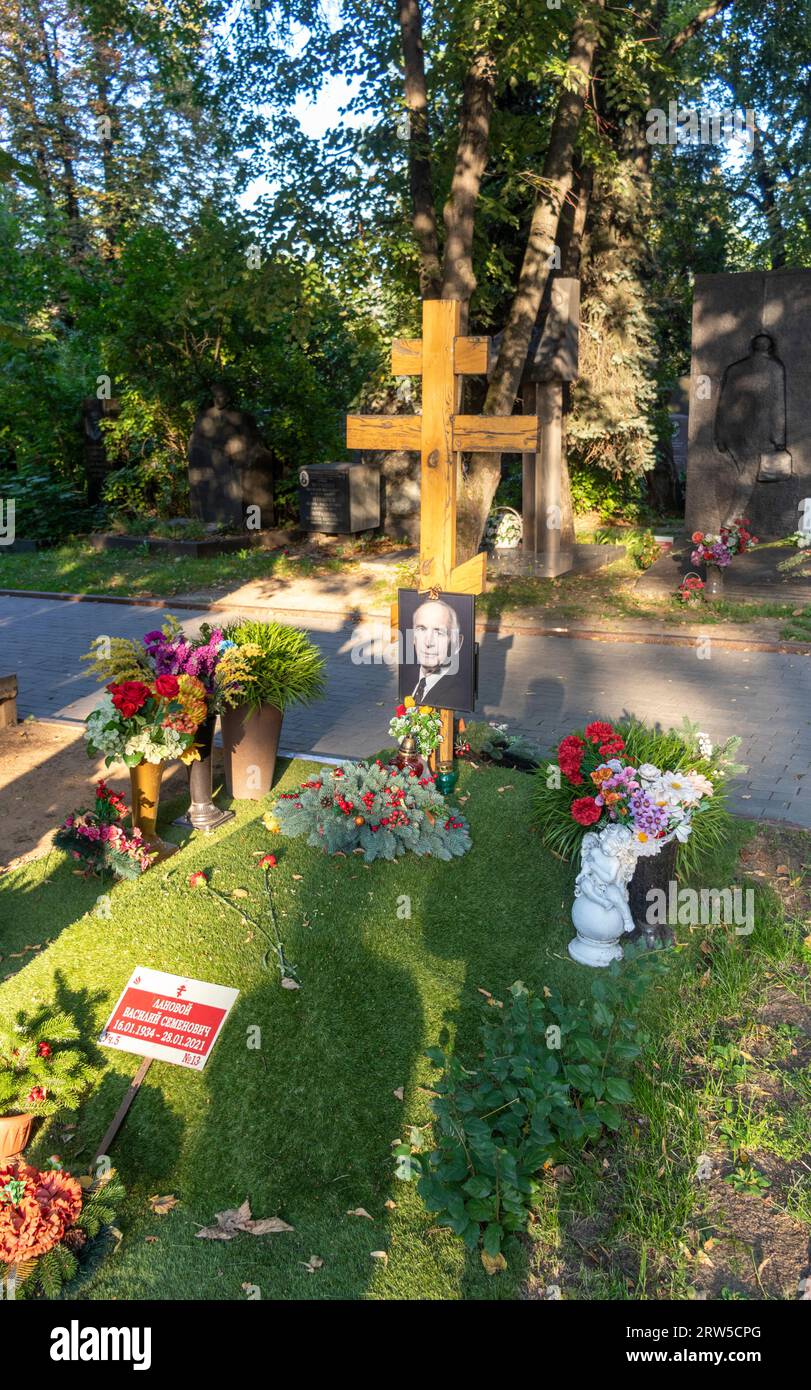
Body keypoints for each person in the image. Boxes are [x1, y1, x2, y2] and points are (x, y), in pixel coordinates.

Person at [399, 597, 470, 709]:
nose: (428, 642)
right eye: (421, 629)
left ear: (457, 643)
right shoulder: (406, 680)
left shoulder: (459, 695)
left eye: (439, 632)